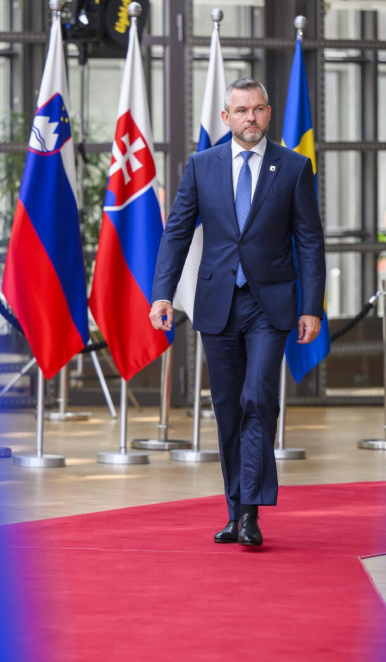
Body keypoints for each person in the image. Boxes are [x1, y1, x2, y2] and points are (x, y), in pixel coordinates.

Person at [149, 78, 326, 547]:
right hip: (218, 303)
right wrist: (162, 294)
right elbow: (176, 233)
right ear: (225, 118)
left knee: (257, 398)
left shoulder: (293, 168)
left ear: (269, 114)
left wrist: (312, 305)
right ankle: (234, 511)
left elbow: (310, 241)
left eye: (259, 109)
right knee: (228, 408)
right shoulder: (201, 166)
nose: (251, 118)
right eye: (241, 110)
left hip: (271, 305)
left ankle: (251, 513)